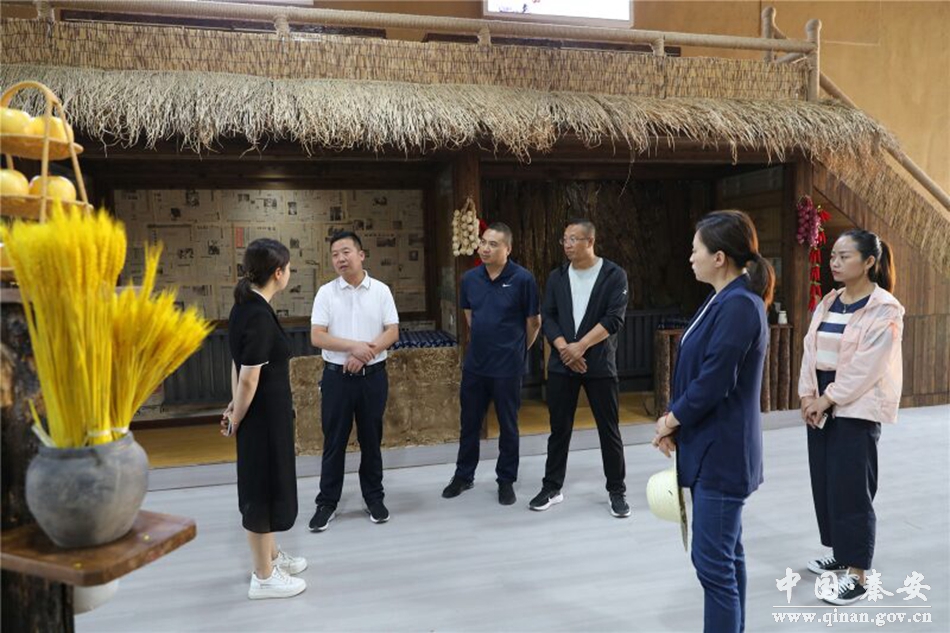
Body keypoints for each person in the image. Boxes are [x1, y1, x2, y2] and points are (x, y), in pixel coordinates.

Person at [652, 210, 773, 633]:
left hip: (723, 453)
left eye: (695, 250)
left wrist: (671, 419)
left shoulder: (739, 305)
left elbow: (715, 380)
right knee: (726, 556)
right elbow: (699, 373)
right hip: (711, 443)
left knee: (712, 564)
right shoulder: (724, 298)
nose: (691, 258)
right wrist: (676, 423)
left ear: (719, 257)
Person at [798, 229, 903, 605]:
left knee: (852, 488)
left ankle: (858, 574)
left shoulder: (885, 308)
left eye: (844, 256)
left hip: (856, 404)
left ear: (869, 262)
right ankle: (841, 554)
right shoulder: (829, 301)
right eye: (833, 256)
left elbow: (867, 367)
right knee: (826, 482)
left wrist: (827, 399)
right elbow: (810, 350)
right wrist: (807, 394)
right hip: (821, 398)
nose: (835, 263)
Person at [528, 219, 631, 517]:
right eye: (565, 239)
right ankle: (552, 487)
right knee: (559, 429)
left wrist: (580, 346)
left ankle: (616, 491)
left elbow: (614, 319)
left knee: (608, 429)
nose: (567, 244)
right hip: (562, 364)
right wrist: (565, 348)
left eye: (573, 239)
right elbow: (548, 316)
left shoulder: (614, 275)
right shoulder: (557, 276)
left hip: (599, 364)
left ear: (590, 241)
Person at [222, 238, 307, 600]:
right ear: (278, 272)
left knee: (269, 486)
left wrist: (233, 407)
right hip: (262, 420)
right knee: (261, 492)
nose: (289, 272)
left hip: (262, 416)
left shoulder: (247, 306)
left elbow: (237, 364)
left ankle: (271, 557)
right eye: (288, 267)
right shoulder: (255, 313)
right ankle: (264, 576)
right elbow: (248, 377)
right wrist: (238, 417)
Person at [442, 223, 541, 505]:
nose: (485, 248)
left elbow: (534, 323)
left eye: (493, 244)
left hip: (508, 368)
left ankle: (506, 480)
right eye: (483, 242)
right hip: (476, 365)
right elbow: (470, 316)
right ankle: (463, 475)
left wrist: (518, 350)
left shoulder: (523, 279)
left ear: (508, 249)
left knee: (508, 426)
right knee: (469, 423)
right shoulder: (470, 279)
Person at [309, 231, 399, 532]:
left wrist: (364, 354)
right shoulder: (326, 293)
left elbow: (392, 331)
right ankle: (327, 503)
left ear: (361, 255)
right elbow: (317, 336)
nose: (340, 259)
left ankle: (374, 498)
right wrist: (354, 347)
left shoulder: (381, 291)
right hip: (337, 379)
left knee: (371, 440)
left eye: (346, 252)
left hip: (373, 378)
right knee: (334, 441)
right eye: (335, 254)